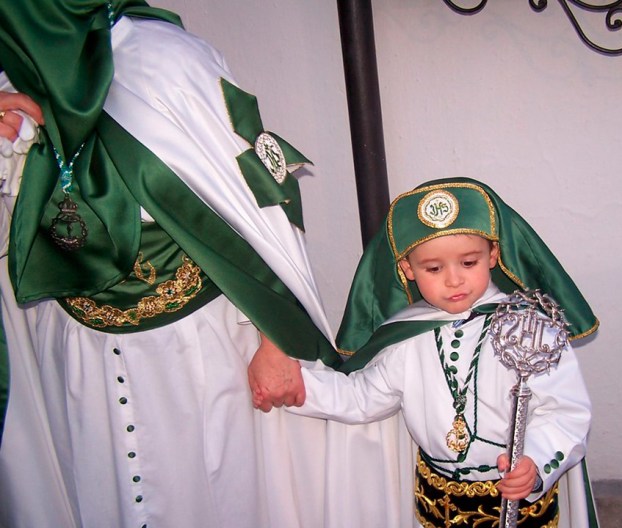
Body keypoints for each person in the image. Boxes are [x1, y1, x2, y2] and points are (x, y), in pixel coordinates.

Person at [0, 2, 403, 526]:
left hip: (197, 348)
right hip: (75, 352)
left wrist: (278, 341)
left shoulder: (164, 60)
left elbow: (255, 199)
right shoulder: (11, 80)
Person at [268, 178, 600, 527]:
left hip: (516, 502)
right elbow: (363, 398)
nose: (454, 280)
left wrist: (537, 461)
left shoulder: (530, 331)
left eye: (468, 263)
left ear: (493, 255)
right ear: (408, 269)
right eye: (434, 269)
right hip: (437, 502)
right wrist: (297, 385)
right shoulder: (407, 338)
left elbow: (565, 412)